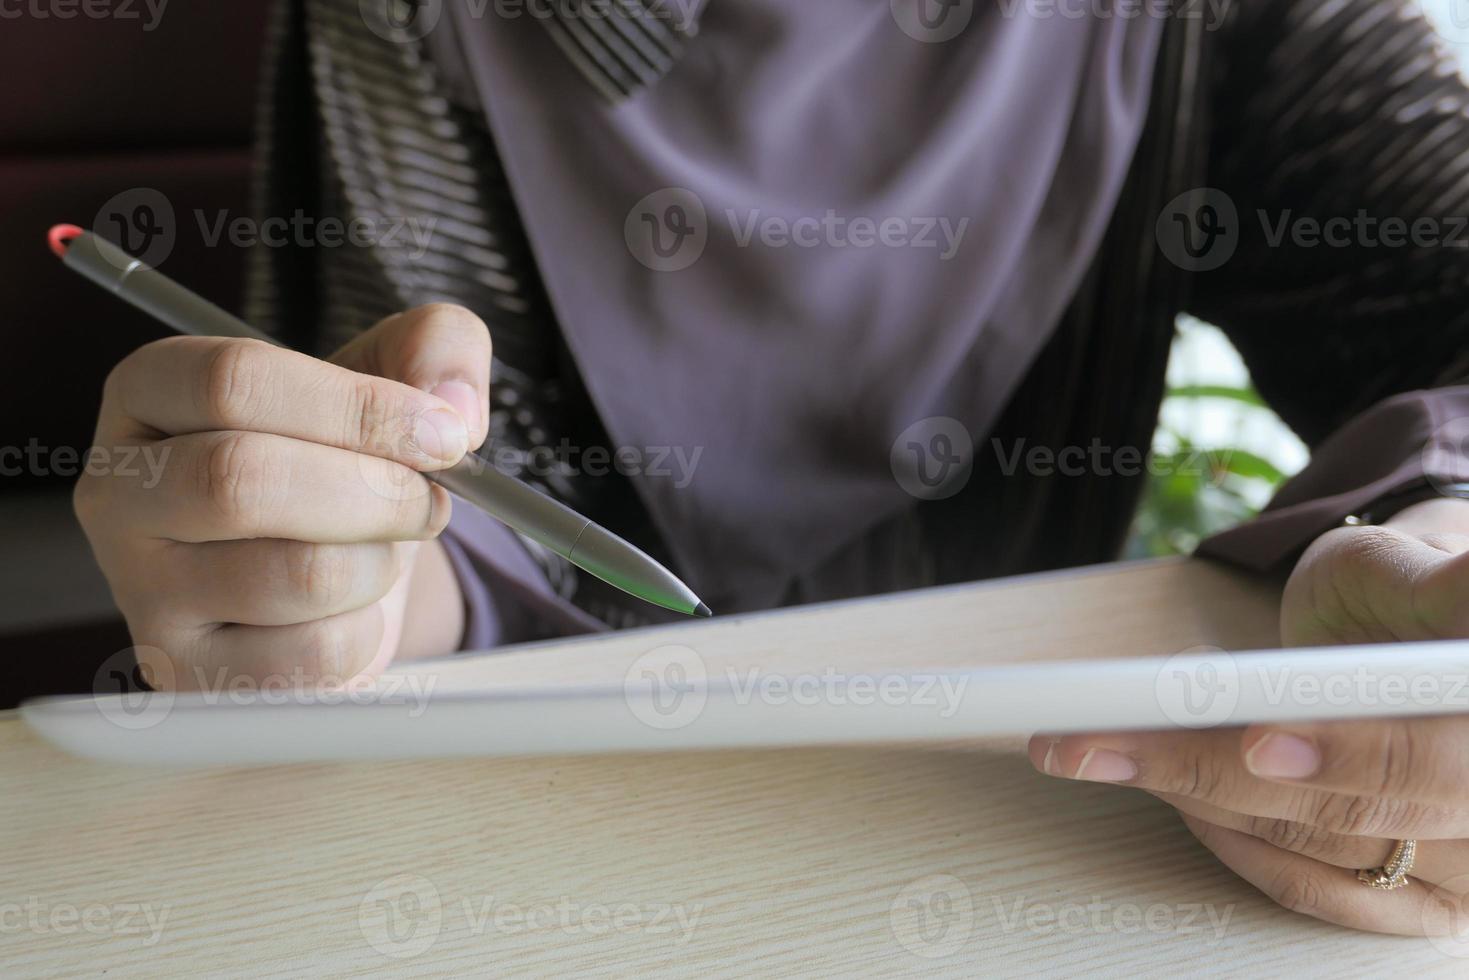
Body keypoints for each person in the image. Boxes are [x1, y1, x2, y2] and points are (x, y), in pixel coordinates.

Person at [72, 0, 1469, 934]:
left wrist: (1439, 527)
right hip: (552, 866)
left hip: (1058, 851)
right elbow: (437, 511)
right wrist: (341, 581)